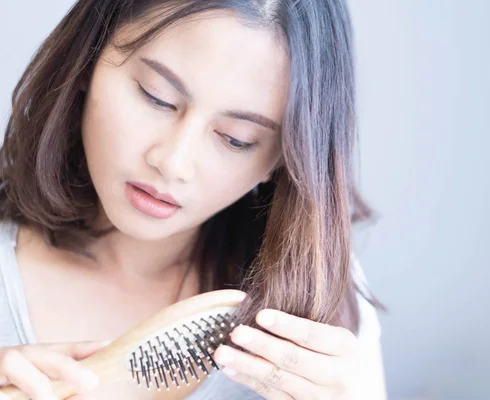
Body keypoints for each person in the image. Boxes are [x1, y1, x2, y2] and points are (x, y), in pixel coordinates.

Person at [0, 0, 387, 399]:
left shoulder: (322, 305)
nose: (173, 163)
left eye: (237, 139)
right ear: (89, 58)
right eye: (157, 97)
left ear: (285, 157)